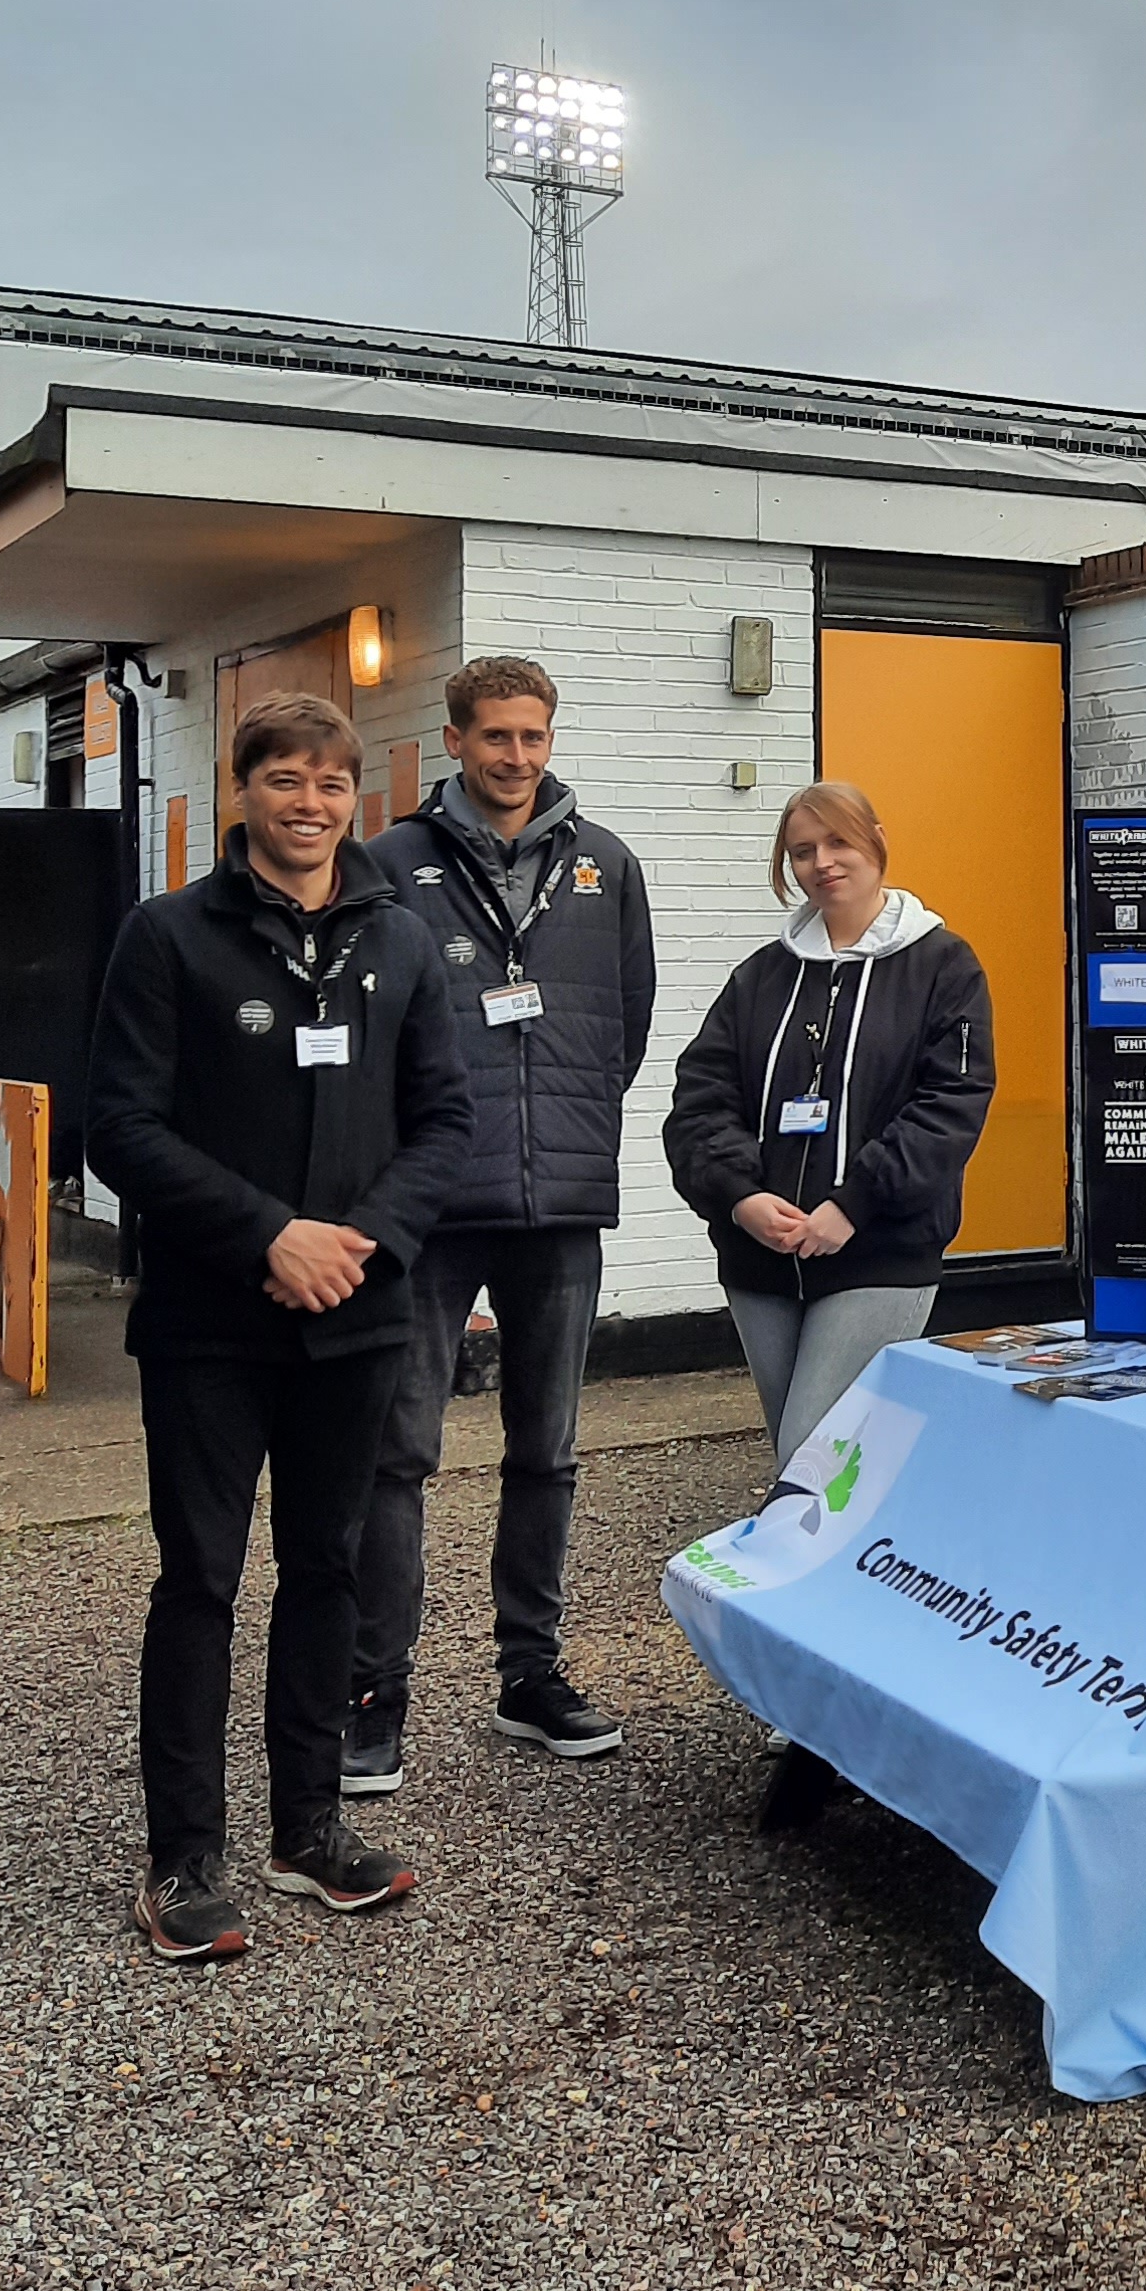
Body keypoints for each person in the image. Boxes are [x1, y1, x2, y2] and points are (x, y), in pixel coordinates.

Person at [86, 694, 473, 1962]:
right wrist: (270, 1236)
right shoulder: (168, 937)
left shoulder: (400, 940)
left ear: (355, 795)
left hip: (357, 1321)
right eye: (285, 780)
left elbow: (446, 1124)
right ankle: (184, 1855)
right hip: (212, 1321)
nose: (310, 804)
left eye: (330, 783)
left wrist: (359, 1244)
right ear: (241, 787)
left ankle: (308, 1829)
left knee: (329, 1568)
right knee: (199, 1581)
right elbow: (124, 1130)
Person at [344, 655, 658, 1796]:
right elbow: (366, 1029)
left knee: (549, 1452)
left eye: (532, 735)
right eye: (495, 738)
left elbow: (623, 1024)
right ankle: (374, 1694)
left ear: (549, 733)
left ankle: (530, 1676)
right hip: (430, 1209)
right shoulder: (387, 865)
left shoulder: (606, 865)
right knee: (399, 1455)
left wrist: (554, 1127)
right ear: (457, 740)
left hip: (561, 1204)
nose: (515, 757)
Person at [664, 780, 995, 1819]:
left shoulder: (945, 965)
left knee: (814, 1460)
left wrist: (854, 1202)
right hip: (766, 1261)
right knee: (814, 1471)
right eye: (802, 849)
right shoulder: (764, 974)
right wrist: (743, 1194)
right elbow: (699, 1099)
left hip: (879, 1254)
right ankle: (852, 1671)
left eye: (838, 843)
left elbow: (952, 1106)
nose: (821, 864)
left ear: (877, 845)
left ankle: (805, 1703)